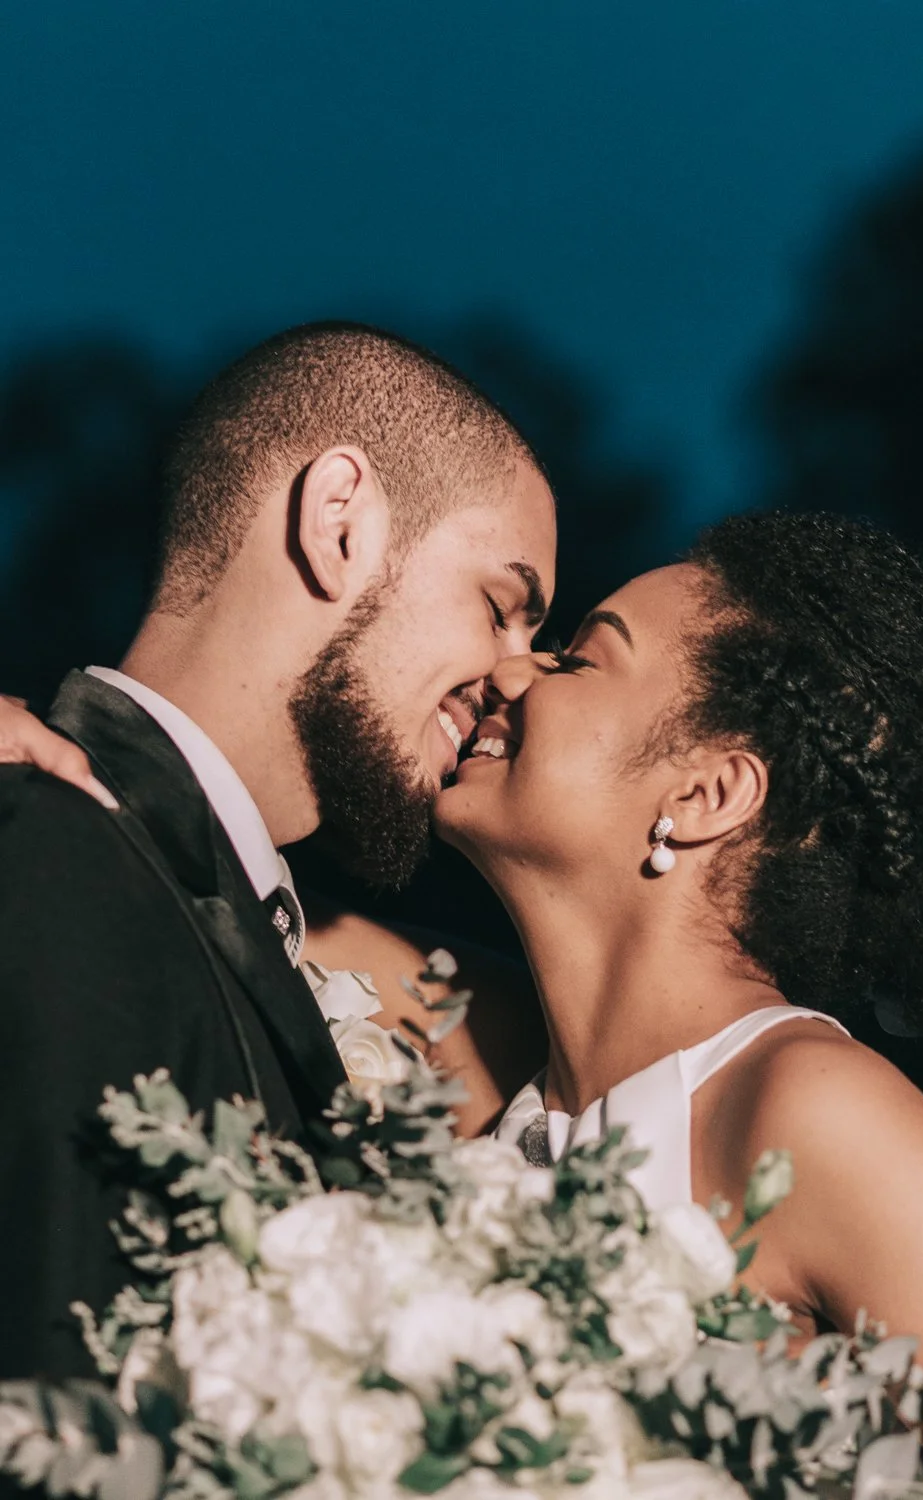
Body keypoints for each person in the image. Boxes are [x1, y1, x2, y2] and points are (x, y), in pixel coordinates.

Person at [0, 320, 556, 1379]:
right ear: (338, 521)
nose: (513, 675)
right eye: (500, 606)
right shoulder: (56, 851)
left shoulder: (240, 918)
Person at [429, 511, 923, 1483]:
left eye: (579, 660)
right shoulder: (464, 1048)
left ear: (705, 796)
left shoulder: (814, 1111)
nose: (509, 672)